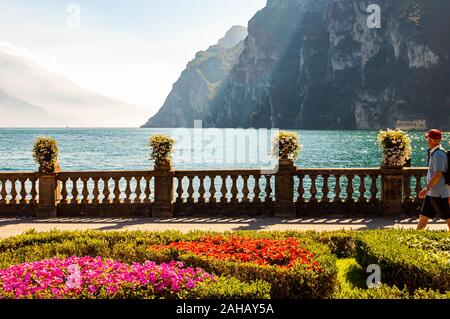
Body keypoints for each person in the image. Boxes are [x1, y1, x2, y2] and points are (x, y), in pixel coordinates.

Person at [417, 129, 450, 231]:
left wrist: (426, 188)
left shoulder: (438, 154)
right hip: (433, 193)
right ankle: (414, 237)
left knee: (448, 218)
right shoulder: (436, 152)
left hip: (439, 193)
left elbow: (438, 174)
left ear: (430, 140)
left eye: (428, 139)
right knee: (424, 216)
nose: (427, 141)